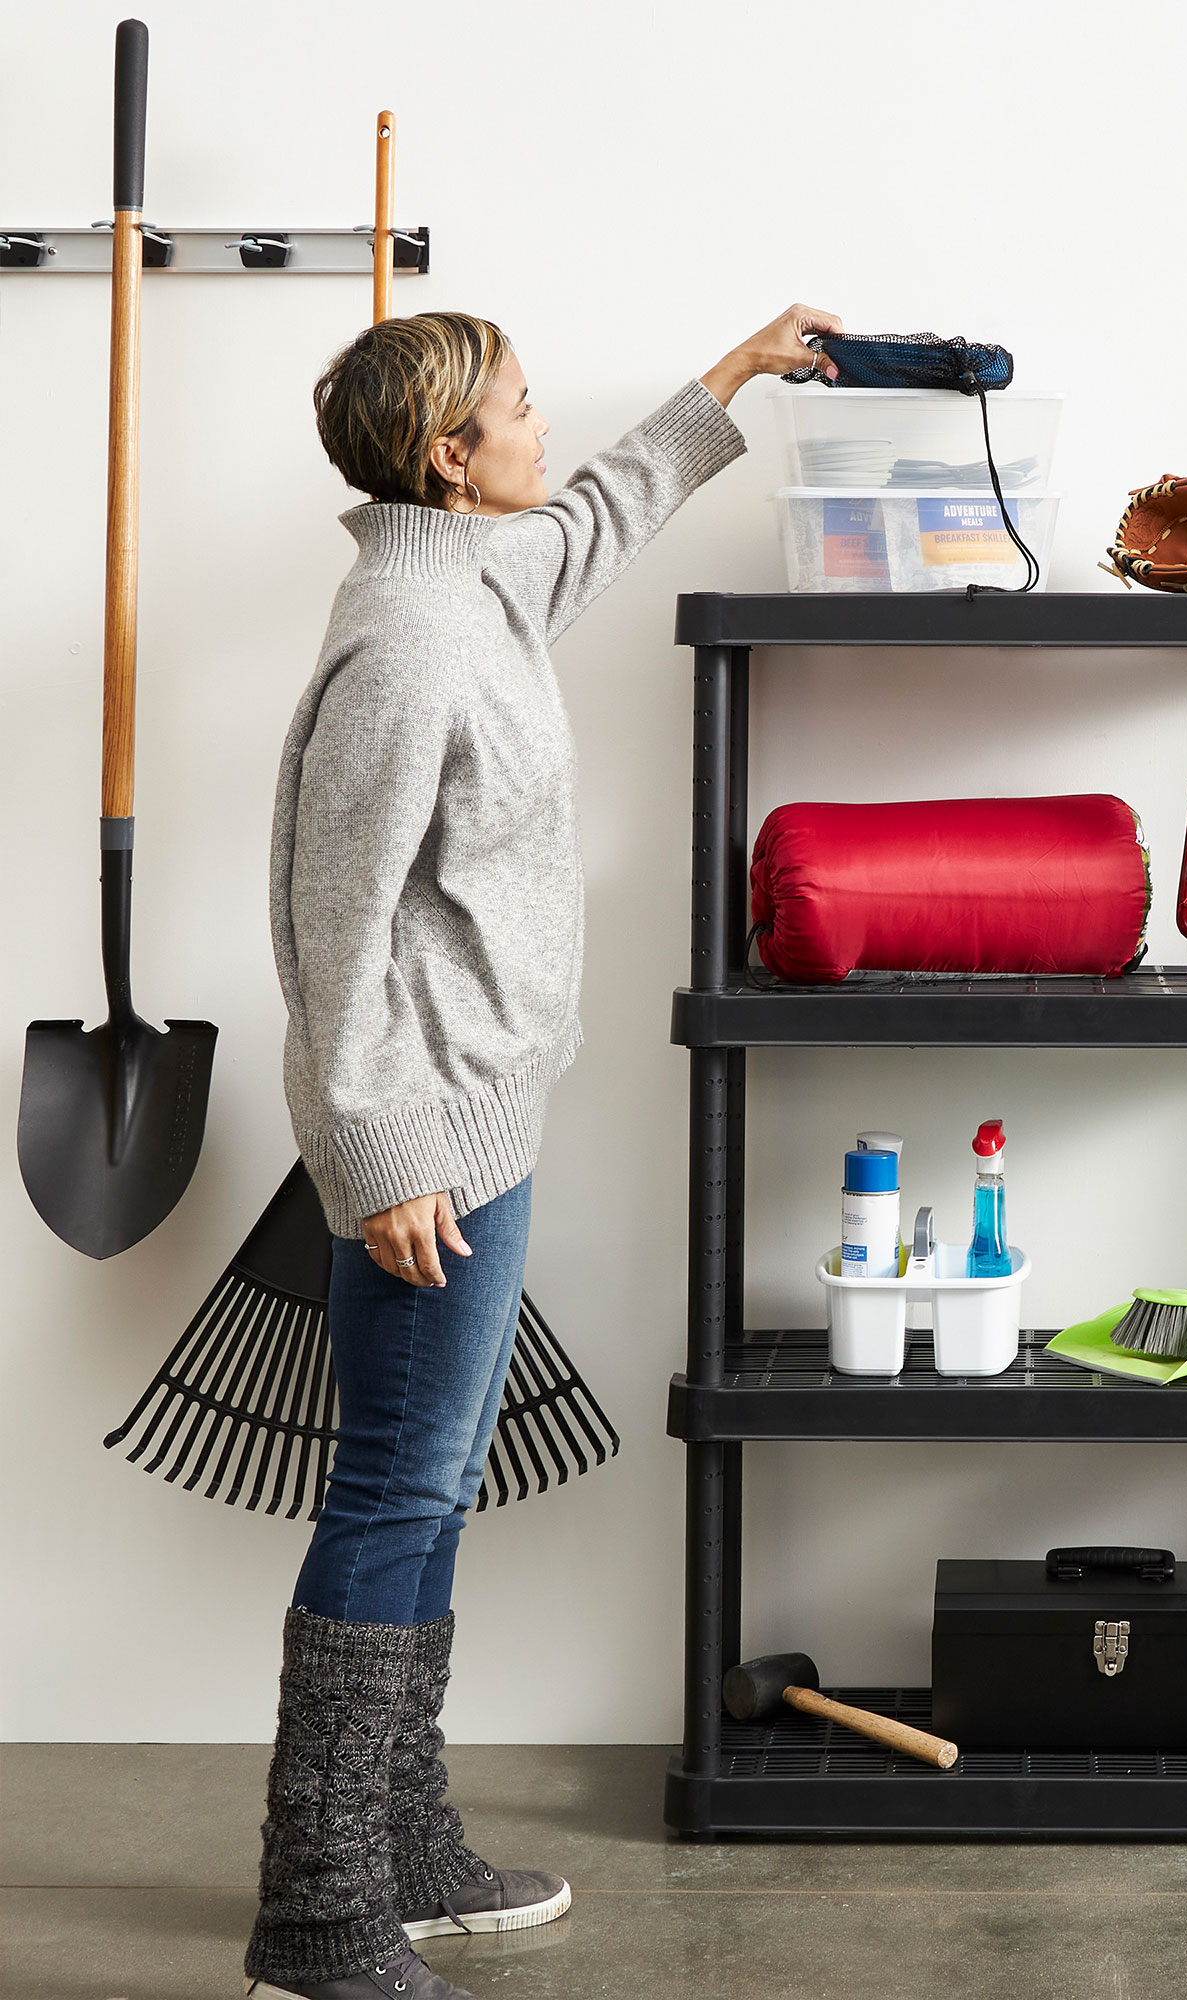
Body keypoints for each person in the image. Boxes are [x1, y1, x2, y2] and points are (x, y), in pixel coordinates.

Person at [247, 304, 841, 2000]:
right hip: (426, 1139)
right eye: (518, 407)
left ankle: (404, 1847)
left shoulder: (478, 581)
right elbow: (332, 923)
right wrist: (378, 1149)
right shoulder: (409, 645)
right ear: (451, 458)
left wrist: (735, 375)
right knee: (395, 1488)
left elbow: (591, 520)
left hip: (477, 1117)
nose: (542, 423)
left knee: (432, 1486)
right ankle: (318, 1910)